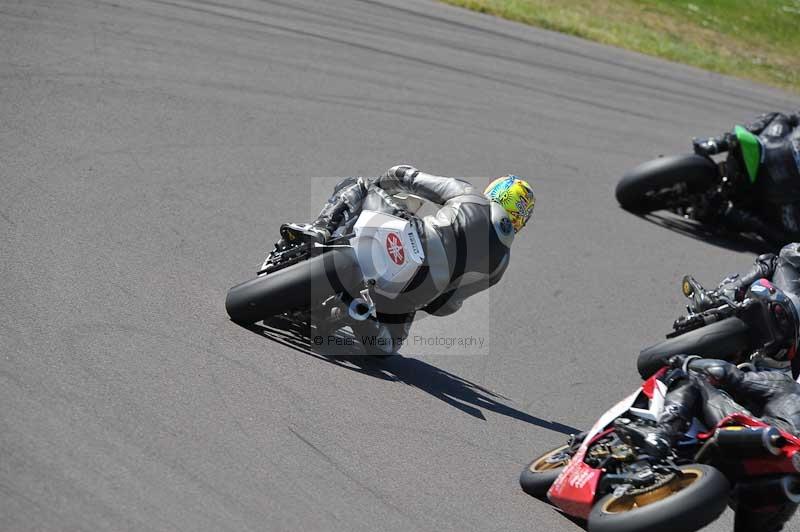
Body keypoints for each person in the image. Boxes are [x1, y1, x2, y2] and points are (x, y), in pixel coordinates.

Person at [624, 244, 800, 531]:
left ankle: (658, 440)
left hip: (759, 438)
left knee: (696, 379)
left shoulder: (787, 389)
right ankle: (721, 296)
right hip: (782, 476)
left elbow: (732, 377)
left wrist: (689, 363)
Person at [279, 165, 535, 354]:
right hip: (416, 294)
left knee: (357, 185)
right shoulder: (501, 265)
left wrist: (382, 184)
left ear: (496, 191)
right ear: (520, 219)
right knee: (388, 347)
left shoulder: (469, 194)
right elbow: (444, 307)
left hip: (412, 238)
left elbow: (405, 175)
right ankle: (355, 313)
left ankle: (321, 229)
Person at [693, 110, 800, 239]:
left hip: (789, 194)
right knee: (778, 117)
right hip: (776, 150)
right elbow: (794, 117)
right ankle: (718, 142)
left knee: (792, 239)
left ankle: (749, 221)